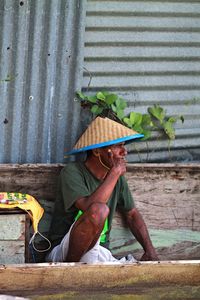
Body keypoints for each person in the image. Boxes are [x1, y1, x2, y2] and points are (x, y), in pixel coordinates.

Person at [46, 116, 158, 263]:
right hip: (63, 251)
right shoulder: (72, 172)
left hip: (99, 251)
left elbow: (132, 214)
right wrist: (115, 173)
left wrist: (150, 251)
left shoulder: (117, 179)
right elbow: (90, 210)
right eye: (118, 146)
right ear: (97, 151)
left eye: (124, 145)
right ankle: (69, 272)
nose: (124, 152)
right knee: (100, 210)